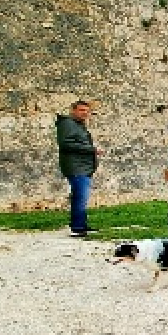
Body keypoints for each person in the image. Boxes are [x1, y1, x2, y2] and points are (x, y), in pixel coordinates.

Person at [55, 100, 102, 237]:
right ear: (73, 110)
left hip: (82, 166)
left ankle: (80, 225)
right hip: (76, 167)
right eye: (81, 110)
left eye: (87, 111)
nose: (85, 113)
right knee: (80, 196)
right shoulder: (68, 123)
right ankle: (77, 228)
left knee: (80, 197)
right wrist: (91, 149)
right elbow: (66, 144)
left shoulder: (78, 125)